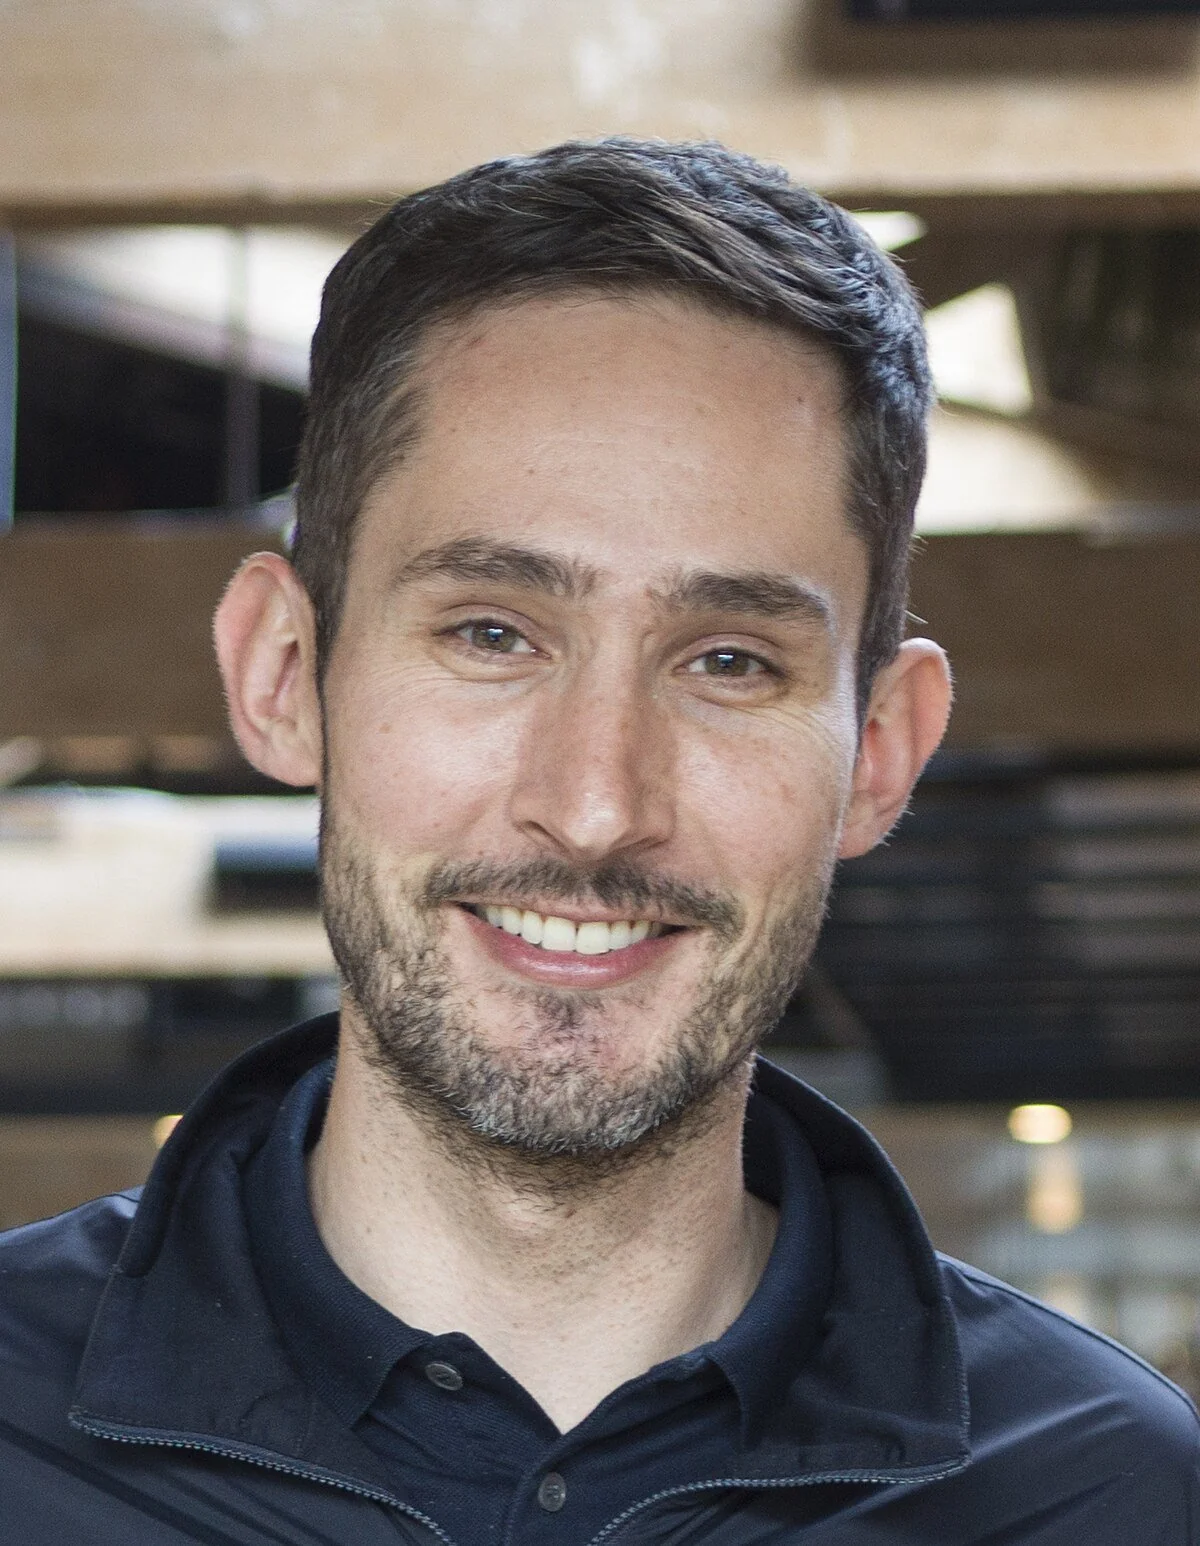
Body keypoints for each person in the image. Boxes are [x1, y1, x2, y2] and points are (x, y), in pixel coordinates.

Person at [1, 139, 1195, 1544]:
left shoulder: (1117, 1499)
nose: (594, 802)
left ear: (879, 753)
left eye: (732, 661)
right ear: (281, 673)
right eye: (492, 633)